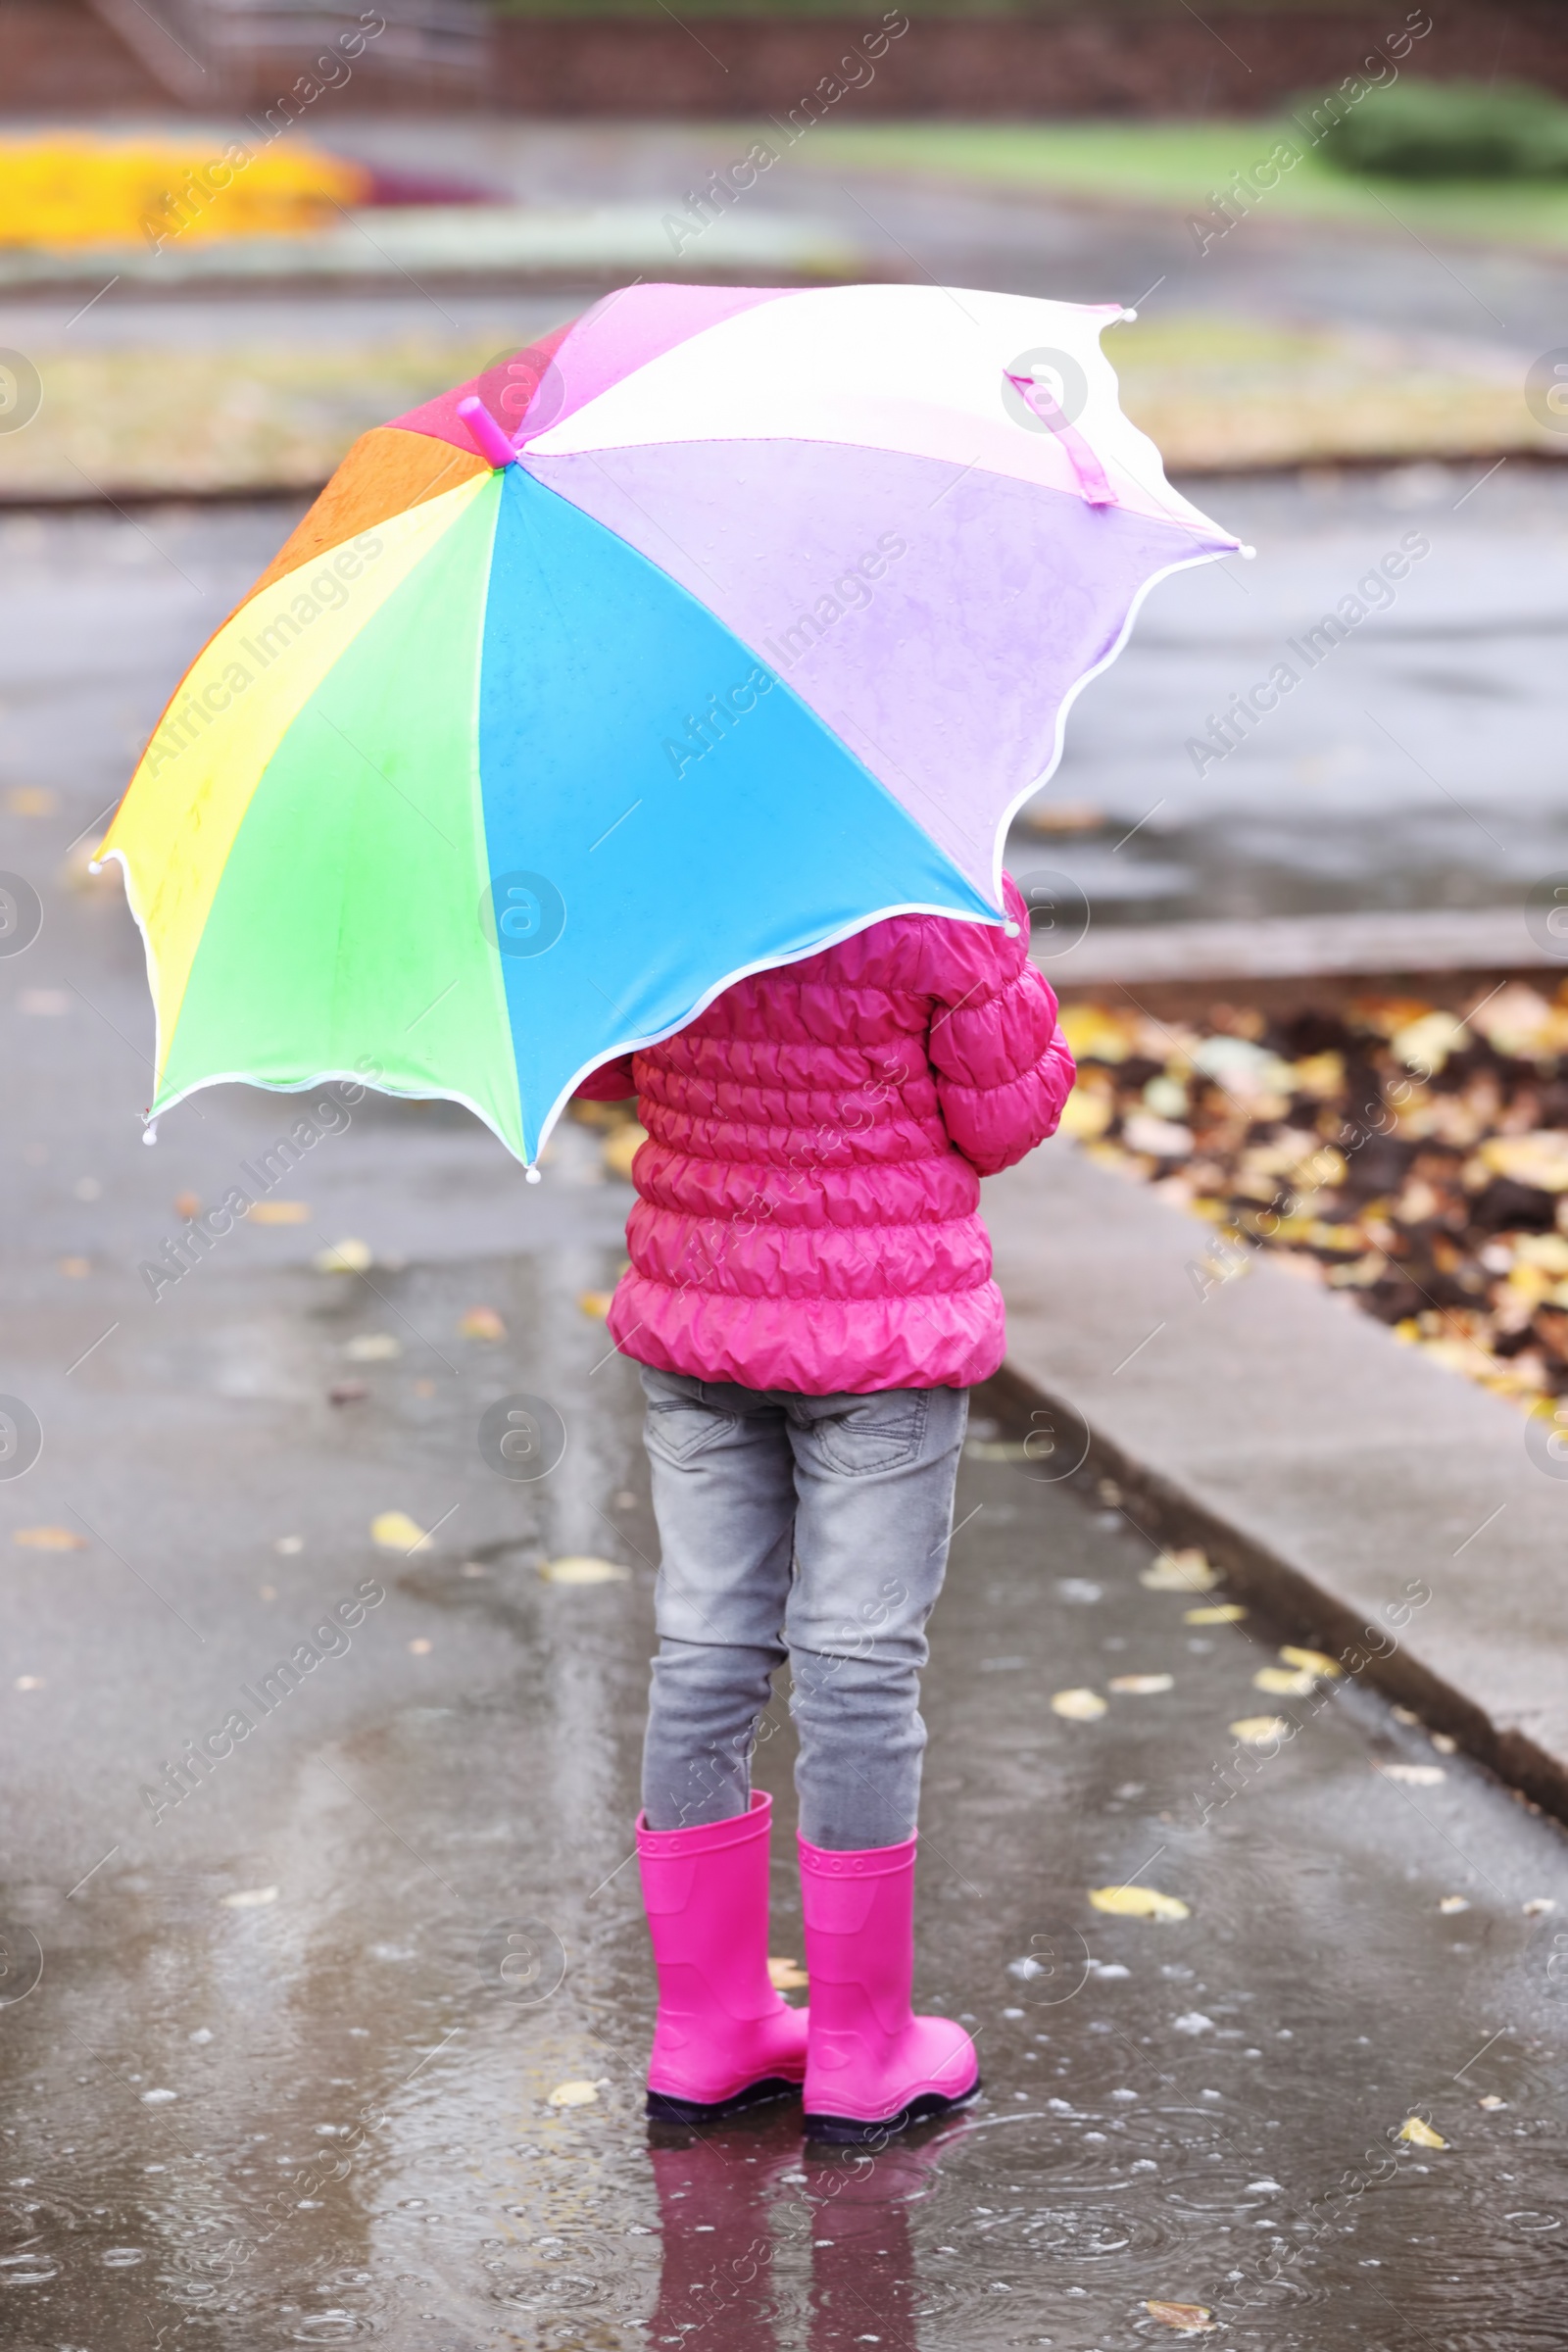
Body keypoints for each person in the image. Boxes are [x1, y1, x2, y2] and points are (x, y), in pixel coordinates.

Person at [575, 874, 1074, 2144]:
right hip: (883, 1338)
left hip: (699, 1315)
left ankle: (704, 2033)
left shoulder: (656, 862)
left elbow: (595, 1074)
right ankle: (861, 2045)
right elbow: (1008, 1118)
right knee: (856, 1663)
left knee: (707, 1648)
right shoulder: (935, 877)